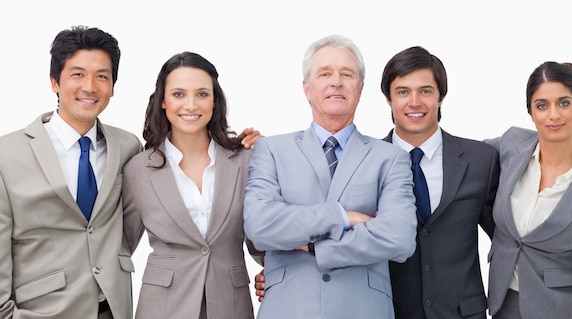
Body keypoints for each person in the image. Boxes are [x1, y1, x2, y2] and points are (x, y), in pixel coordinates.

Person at [243, 34, 418, 319]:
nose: (336, 81)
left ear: (360, 89)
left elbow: (399, 239)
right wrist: (343, 217)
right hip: (289, 309)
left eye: (346, 74)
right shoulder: (271, 150)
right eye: (325, 73)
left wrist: (312, 246)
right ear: (307, 88)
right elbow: (260, 226)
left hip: (364, 310)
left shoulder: (390, 157)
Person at [0, 26, 142, 318]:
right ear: (55, 82)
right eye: (77, 74)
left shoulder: (128, 147)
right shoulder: (7, 154)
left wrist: (232, 145)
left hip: (113, 309)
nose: (90, 87)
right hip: (40, 312)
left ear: (113, 87)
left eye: (102, 76)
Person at [122, 51, 263, 319]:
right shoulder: (138, 170)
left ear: (214, 101)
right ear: (162, 101)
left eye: (201, 94)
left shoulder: (247, 161)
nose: (191, 105)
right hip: (162, 307)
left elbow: (264, 242)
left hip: (230, 305)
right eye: (178, 94)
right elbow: (120, 247)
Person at [486, 62, 572, 318]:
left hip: (563, 310)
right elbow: (462, 160)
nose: (554, 115)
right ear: (530, 112)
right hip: (502, 305)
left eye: (563, 103)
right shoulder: (510, 146)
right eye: (542, 105)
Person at [382, 46, 499, 319]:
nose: (414, 102)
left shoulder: (480, 159)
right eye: (403, 92)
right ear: (389, 98)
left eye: (425, 91)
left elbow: (508, 239)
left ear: (440, 96)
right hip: (389, 312)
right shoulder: (365, 162)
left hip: (462, 313)